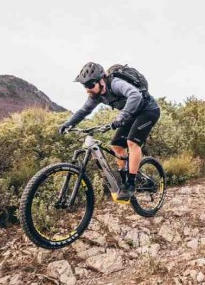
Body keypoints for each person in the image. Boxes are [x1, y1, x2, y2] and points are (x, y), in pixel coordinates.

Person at [58, 62, 160, 200]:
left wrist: (121, 117)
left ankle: (130, 184)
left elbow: (135, 95)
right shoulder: (97, 95)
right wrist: (68, 124)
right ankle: (125, 180)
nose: (87, 89)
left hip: (148, 110)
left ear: (101, 81)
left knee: (131, 142)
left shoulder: (116, 83)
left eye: (90, 85)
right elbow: (84, 111)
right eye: (85, 86)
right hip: (131, 114)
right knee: (117, 145)